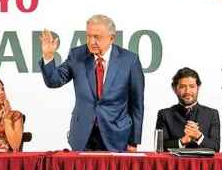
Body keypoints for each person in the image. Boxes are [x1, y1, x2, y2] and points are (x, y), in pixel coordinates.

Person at [39, 14, 144, 152]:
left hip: (117, 137)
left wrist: (133, 141)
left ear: (111, 38)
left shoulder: (129, 60)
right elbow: (54, 81)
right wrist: (48, 56)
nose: (91, 41)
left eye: (97, 37)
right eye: (88, 36)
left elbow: (137, 105)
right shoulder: (77, 55)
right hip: (83, 136)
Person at [155, 67, 220, 151]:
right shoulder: (165, 115)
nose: (187, 91)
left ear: (198, 87)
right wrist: (182, 141)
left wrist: (199, 136)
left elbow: (216, 148)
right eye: (182, 87)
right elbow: (159, 146)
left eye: (192, 86)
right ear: (174, 89)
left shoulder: (212, 114)